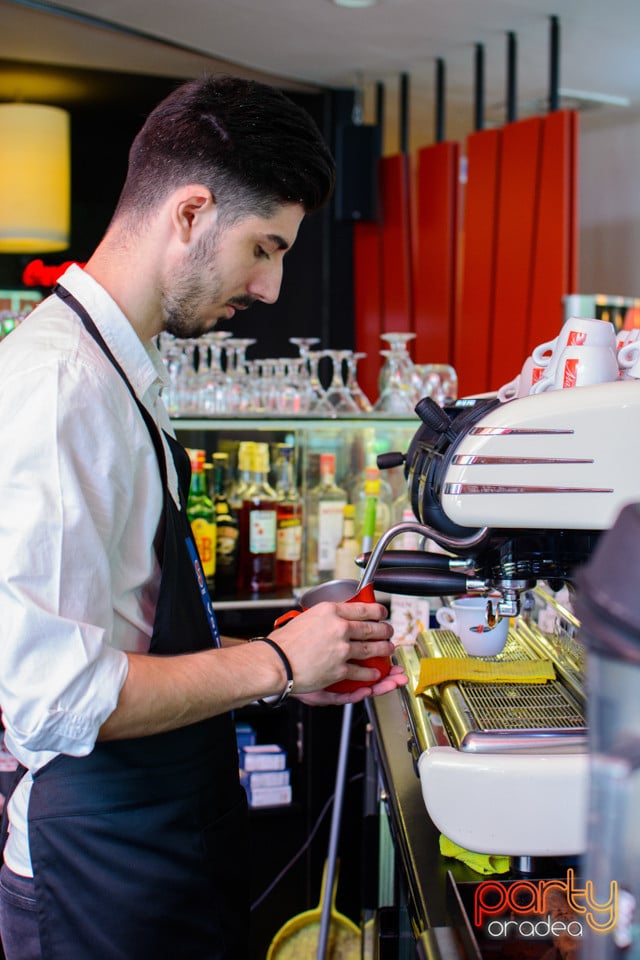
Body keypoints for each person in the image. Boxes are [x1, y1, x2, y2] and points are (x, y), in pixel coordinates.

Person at [0, 75, 407, 959]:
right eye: (265, 247)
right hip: (99, 869)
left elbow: (126, 636)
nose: (271, 288)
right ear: (188, 214)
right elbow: (53, 699)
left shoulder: (117, 369)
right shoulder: (61, 387)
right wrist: (270, 661)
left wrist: (300, 664)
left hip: (160, 846)